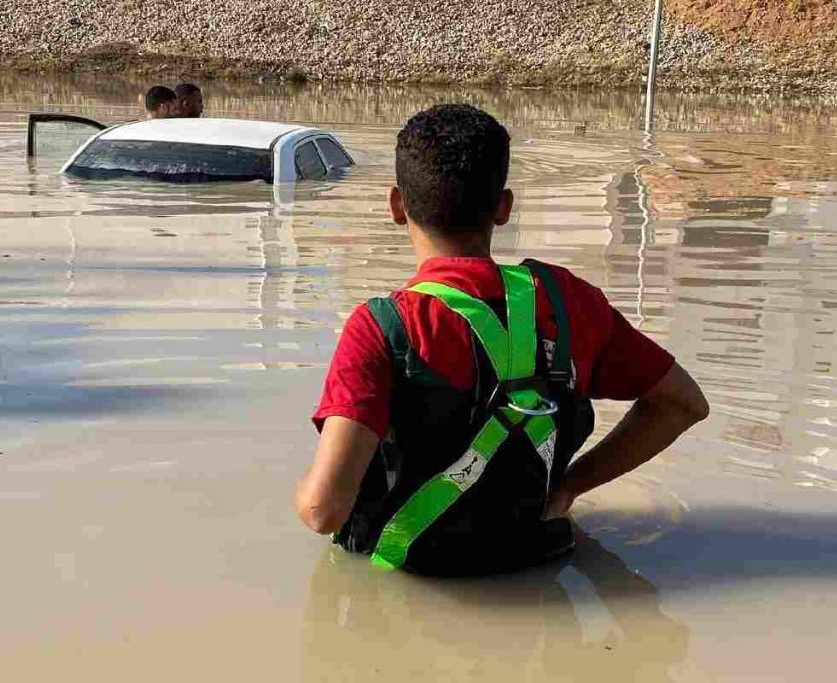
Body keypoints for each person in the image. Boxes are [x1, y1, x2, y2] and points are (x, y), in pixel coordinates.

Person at [294, 104, 709, 576]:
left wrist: (302, 488)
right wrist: (570, 487)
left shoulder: (382, 328)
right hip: (537, 563)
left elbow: (322, 511)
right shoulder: (570, 302)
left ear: (395, 205)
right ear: (505, 207)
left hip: (412, 581)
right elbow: (683, 403)